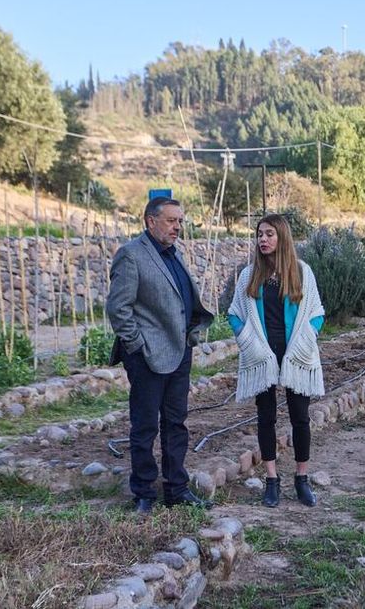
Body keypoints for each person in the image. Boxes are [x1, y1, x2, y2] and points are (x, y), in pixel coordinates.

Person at [107, 196, 215, 514]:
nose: (177, 227)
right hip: (147, 356)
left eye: (180, 221)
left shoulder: (173, 254)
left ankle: (176, 489)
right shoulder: (131, 255)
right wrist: (137, 346)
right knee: (144, 426)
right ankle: (143, 492)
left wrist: (190, 334)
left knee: (176, 423)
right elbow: (118, 307)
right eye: (171, 220)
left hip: (179, 351)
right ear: (151, 221)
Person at [227, 213, 325, 508]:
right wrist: (247, 339)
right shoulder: (249, 275)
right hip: (262, 355)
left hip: (297, 353)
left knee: (300, 417)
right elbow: (234, 313)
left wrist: (308, 338)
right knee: (266, 417)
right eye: (259, 234)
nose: (263, 239)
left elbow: (317, 313)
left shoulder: (302, 272)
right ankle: (272, 480)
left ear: (282, 237)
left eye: (269, 234)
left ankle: (302, 478)